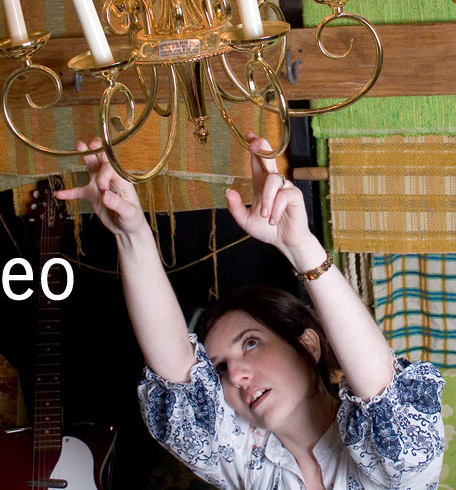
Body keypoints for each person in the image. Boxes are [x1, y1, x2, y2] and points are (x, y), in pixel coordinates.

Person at [55, 135, 445, 490]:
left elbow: (385, 399)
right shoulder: (244, 460)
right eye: (220, 367)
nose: (236, 375)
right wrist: (131, 234)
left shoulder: (399, 462)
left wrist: (301, 247)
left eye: (251, 343)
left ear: (308, 346)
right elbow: (178, 382)